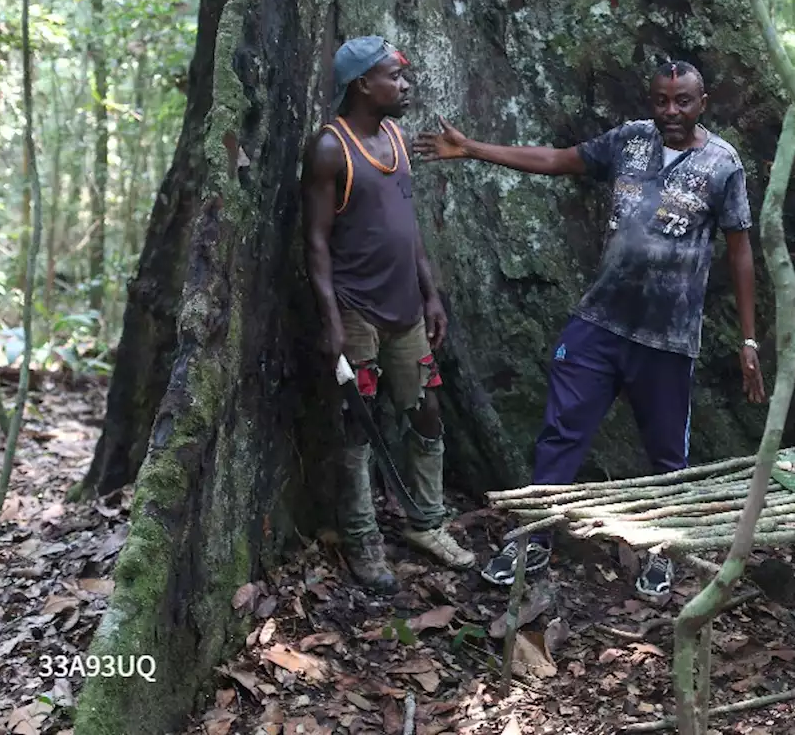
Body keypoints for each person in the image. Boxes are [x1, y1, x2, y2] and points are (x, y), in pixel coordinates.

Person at [413, 60, 766, 602]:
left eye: (683, 101)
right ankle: (533, 538)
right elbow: (558, 160)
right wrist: (473, 148)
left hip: (666, 337)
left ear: (703, 101)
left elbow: (740, 251)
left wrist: (748, 339)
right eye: (662, 100)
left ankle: (661, 550)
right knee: (561, 432)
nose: (671, 111)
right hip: (599, 323)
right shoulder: (629, 141)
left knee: (668, 455)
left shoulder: (723, 164)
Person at [301, 36, 475, 594]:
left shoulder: (396, 137)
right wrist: (329, 319)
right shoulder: (331, 148)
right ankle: (362, 536)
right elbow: (316, 242)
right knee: (360, 419)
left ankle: (427, 521)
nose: (404, 86)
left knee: (425, 406)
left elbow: (408, 225)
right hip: (356, 309)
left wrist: (431, 294)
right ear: (362, 86)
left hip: (406, 307)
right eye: (393, 78)